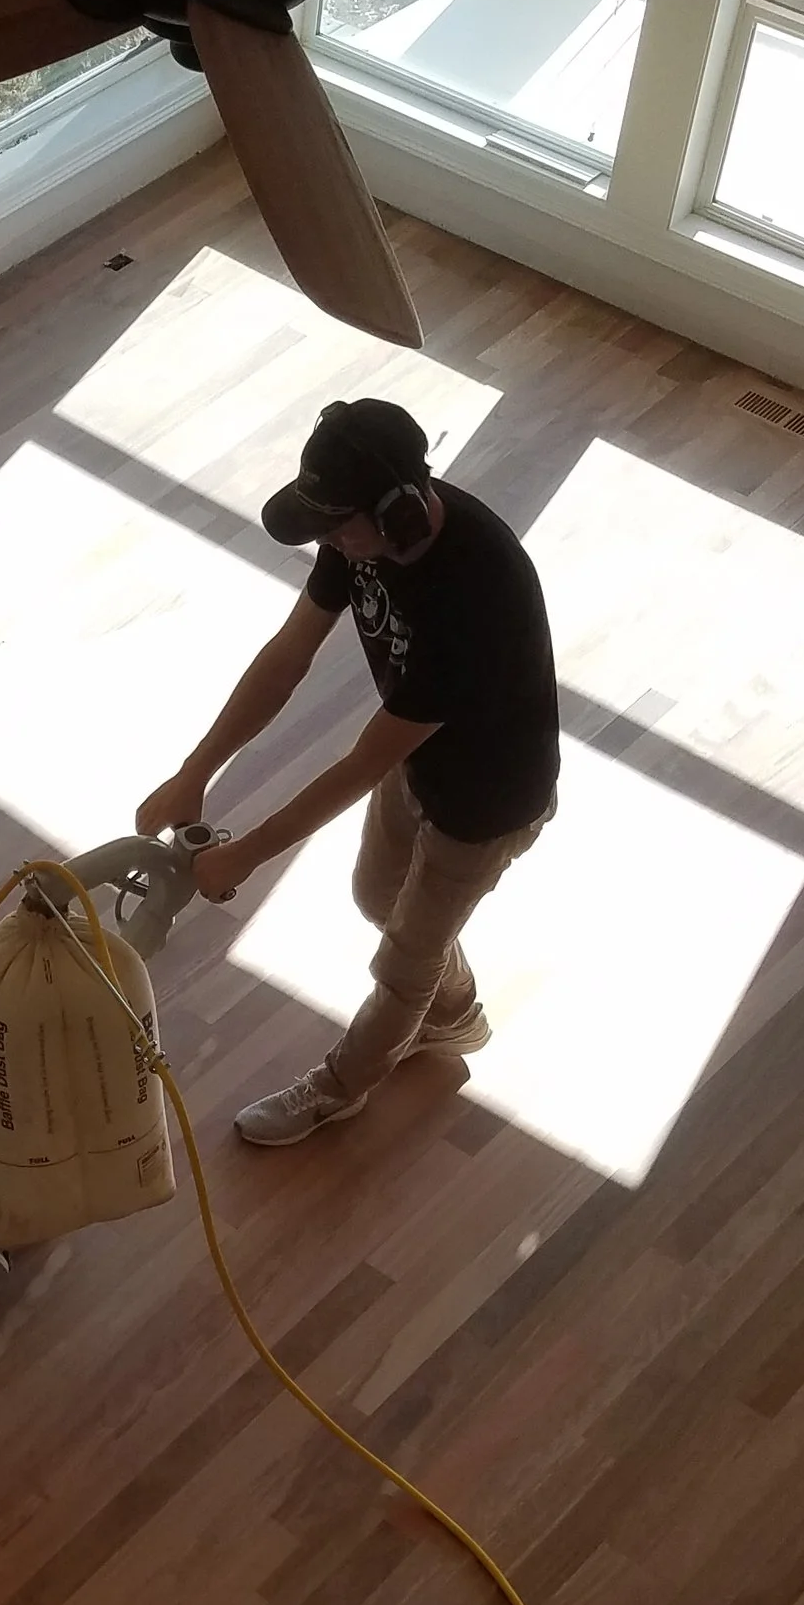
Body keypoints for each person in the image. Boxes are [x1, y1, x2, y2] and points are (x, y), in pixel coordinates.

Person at [138, 397, 560, 1148]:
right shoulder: (356, 532)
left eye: (336, 526)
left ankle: (339, 1089)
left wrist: (245, 854)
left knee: (404, 963)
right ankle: (455, 1014)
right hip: (423, 757)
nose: (327, 541)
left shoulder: (472, 599)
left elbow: (362, 762)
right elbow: (287, 656)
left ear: (399, 514)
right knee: (376, 895)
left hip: (488, 800)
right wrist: (194, 771)